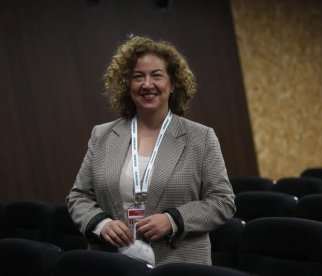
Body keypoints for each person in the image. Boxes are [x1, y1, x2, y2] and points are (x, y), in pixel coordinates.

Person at [67, 35, 236, 266]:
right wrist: (100, 223)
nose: (147, 84)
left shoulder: (201, 137)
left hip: (179, 265)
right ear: (127, 84)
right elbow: (79, 196)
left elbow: (223, 201)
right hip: (113, 264)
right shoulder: (102, 135)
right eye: (138, 77)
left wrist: (173, 220)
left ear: (173, 83)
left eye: (156, 75)